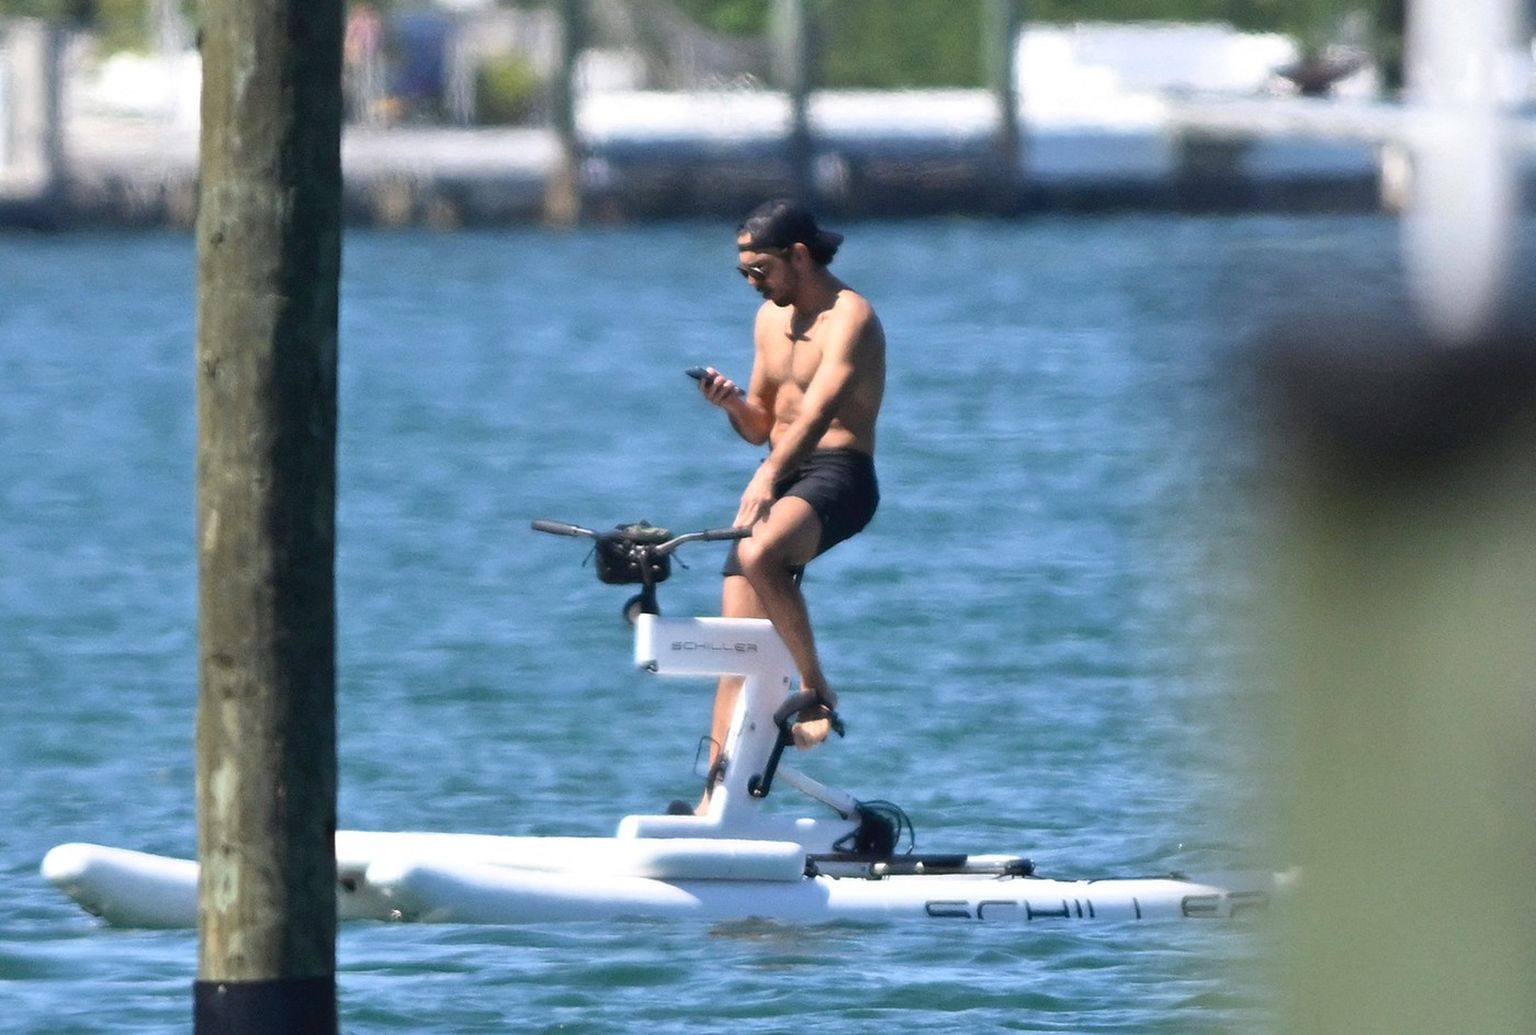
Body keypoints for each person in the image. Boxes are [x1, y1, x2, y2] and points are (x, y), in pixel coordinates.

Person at [689, 198, 886, 813]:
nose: (752, 283)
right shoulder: (768, 321)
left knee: (762, 551)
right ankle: (716, 801)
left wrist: (769, 475)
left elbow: (822, 410)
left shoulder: (851, 316)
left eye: (760, 270)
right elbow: (761, 427)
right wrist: (730, 404)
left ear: (799, 256)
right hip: (780, 475)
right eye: (743, 273)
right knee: (736, 649)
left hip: (841, 476)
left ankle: (817, 692)